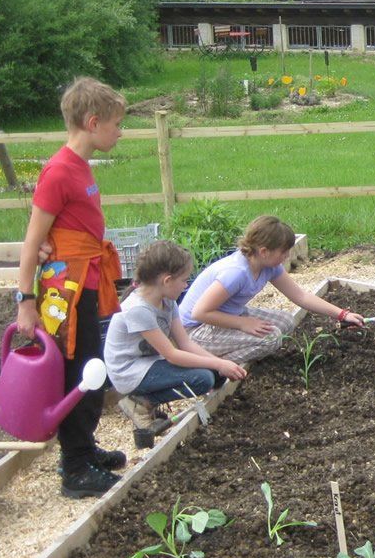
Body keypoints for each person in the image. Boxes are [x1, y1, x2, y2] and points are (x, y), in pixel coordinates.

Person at [15, 77, 128, 498]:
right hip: (65, 290)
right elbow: (33, 241)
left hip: (87, 281)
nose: (120, 132)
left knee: (91, 367)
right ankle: (75, 468)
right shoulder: (59, 171)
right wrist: (25, 300)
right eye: (116, 124)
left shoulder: (81, 168)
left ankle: (85, 447)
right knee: (78, 373)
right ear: (93, 122)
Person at [179, 215, 364, 364]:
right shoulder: (236, 273)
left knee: (286, 321)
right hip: (194, 331)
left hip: (225, 316)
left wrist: (342, 314)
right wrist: (242, 324)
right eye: (283, 252)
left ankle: (229, 355)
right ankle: (213, 366)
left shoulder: (269, 266)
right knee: (271, 338)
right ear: (264, 251)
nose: (287, 256)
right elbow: (199, 312)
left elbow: (300, 296)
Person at [105, 241, 246, 433]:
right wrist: (219, 364)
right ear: (167, 280)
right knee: (203, 380)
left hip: (150, 363)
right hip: (129, 371)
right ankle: (139, 401)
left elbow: (185, 343)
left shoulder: (167, 302)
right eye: (184, 280)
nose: (186, 285)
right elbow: (172, 354)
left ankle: (146, 399)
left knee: (216, 376)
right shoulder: (138, 309)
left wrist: (219, 364)